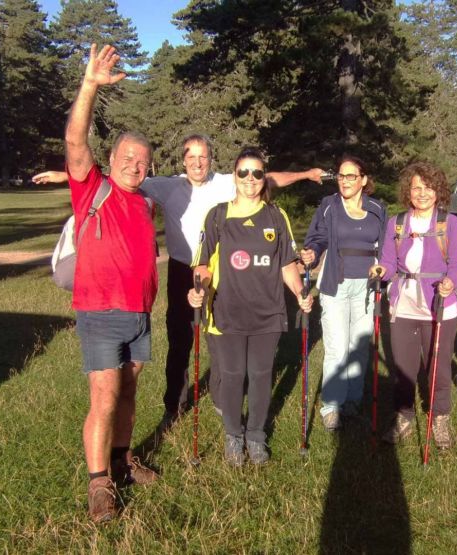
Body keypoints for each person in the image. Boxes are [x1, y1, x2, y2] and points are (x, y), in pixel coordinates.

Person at [34, 141, 324, 426]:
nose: (198, 162)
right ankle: (175, 405)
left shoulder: (226, 182)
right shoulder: (166, 185)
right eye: (192, 157)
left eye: (204, 156)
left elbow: (268, 177)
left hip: (219, 274)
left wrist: (305, 175)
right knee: (179, 343)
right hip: (181, 270)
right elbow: (117, 180)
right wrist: (67, 176)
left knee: (218, 342)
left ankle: (223, 402)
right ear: (183, 161)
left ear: (211, 159)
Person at [63, 44, 158, 523]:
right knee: (104, 398)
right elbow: (76, 143)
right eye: (127, 157)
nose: (134, 166)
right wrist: (90, 87)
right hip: (100, 313)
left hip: (139, 316)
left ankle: (122, 460)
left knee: (130, 392)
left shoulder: (144, 202)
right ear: (112, 156)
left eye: (142, 161)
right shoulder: (92, 186)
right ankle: (98, 484)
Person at [188, 146, 312, 466]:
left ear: (263, 177)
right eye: (243, 172)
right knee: (231, 374)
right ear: (235, 176)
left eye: (257, 173)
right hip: (227, 311)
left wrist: (299, 291)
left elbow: (286, 264)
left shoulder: (275, 216)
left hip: (267, 312)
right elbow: (203, 265)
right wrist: (198, 288)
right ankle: (233, 435)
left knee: (259, 375)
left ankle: (256, 436)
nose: (250, 179)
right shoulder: (217, 215)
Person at [370, 161, 457, 449]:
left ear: (438, 191)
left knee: (438, 366)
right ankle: (404, 418)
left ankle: (439, 418)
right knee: (403, 368)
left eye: (428, 187)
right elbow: (389, 262)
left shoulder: (448, 223)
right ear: (407, 192)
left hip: (440, 305)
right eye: (416, 188)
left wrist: (451, 283)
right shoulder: (397, 223)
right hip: (404, 305)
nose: (422, 193)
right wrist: (380, 272)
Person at [300, 155, 387, 431]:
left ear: (363, 180)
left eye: (351, 176)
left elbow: (386, 248)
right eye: (341, 175)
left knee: (359, 346)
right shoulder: (329, 206)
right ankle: (332, 406)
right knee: (337, 346)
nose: (345, 181)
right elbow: (317, 237)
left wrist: (383, 276)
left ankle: (353, 401)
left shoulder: (377, 208)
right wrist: (312, 252)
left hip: (366, 285)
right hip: (335, 282)